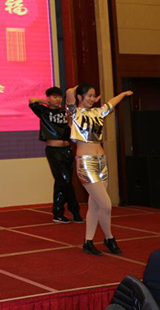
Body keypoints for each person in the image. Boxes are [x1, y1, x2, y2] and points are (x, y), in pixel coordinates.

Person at [65, 84, 132, 256]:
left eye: (94, 95)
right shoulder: (74, 113)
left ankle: (88, 242)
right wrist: (80, 88)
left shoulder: (98, 112)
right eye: (88, 95)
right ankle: (109, 238)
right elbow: (69, 92)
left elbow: (112, 102)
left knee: (95, 205)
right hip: (86, 163)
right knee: (106, 205)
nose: (92, 98)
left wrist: (123, 93)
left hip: (102, 162)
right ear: (80, 97)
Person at [29, 87, 83, 224]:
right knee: (65, 181)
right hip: (54, 150)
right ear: (48, 98)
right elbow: (31, 101)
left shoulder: (65, 111)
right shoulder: (43, 111)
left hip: (68, 150)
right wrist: (45, 102)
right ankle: (74, 210)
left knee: (63, 182)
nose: (58, 99)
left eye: (59, 97)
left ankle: (59, 213)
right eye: (54, 96)